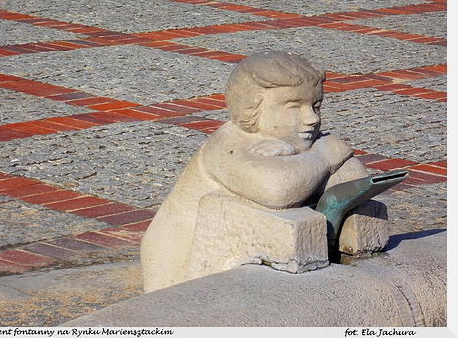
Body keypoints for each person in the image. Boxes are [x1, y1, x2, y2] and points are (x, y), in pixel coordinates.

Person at [141, 51, 368, 293]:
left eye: (316, 105)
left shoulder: (303, 142)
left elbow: (357, 178)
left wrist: (298, 156)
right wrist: (324, 156)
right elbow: (278, 190)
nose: (311, 118)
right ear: (252, 108)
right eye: (294, 107)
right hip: (179, 269)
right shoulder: (226, 145)